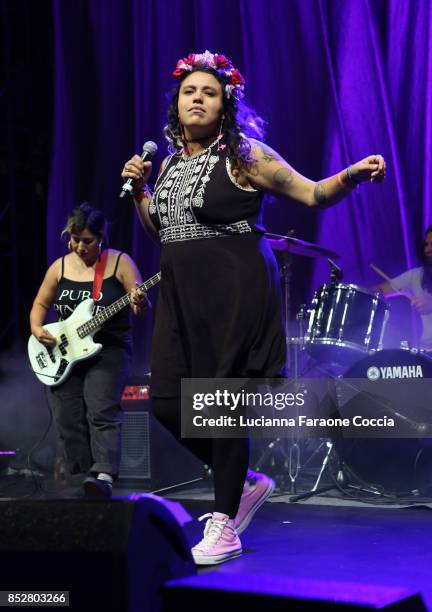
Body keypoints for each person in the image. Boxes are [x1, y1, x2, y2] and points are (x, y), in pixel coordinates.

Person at [121, 50, 386, 564]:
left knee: (219, 408)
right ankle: (240, 482)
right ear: (176, 104)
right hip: (182, 295)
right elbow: (164, 231)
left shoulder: (245, 155)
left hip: (234, 290)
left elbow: (310, 194)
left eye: (209, 93)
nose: (197, 99)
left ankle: (225, 525)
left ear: (225, 106)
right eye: (188, 92)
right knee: (167, 402)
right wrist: (140, 194)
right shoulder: (173, 163)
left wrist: (350, 174)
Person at [29, 204, 149, 498]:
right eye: (74, 239)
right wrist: (36, 328)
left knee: (101, 408)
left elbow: (139, 307)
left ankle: (104, 474)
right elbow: (40, 305)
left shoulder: (120, 262)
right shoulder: (59, 266)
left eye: (87, 241)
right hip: (65, 350)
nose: (79, 247)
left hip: (108, 349)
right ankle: (78, 477)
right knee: (67, 416)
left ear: (101, 237)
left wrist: (139, 302)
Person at [374, 225, 432, 350]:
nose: (427, 249)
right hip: (427, 352)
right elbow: (378, 291)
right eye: (426, 244)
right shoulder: (417, 275)